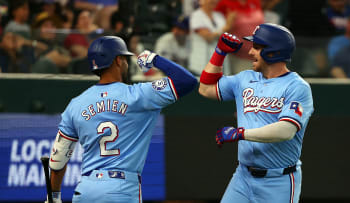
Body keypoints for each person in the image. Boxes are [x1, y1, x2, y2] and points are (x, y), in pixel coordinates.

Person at [44, 36, 197, 203]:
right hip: (121, 188)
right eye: (125, 59)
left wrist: (54, 196)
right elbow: (187, 81)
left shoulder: (76, 104)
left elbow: (58, 160)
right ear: (118, 60)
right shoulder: (138, 95)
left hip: (86, 189)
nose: (126, 63)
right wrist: (156, 60)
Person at [198, 23, 314, 202]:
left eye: (257, 48)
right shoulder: (245, 78)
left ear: (274, 52)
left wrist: (241, 133)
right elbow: (206, 89)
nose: (251, 52)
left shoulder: (297, 86)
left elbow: (286, 130)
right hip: (243, 177)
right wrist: (219, 53)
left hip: (279, 181)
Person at [188, 0, 236, 76]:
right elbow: (208, 37)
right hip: (200, 64)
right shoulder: (196, 16)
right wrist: (226, 27)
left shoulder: (219, 15)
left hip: (220, 63)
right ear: (202, 1)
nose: (214, 1)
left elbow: (227, 37)